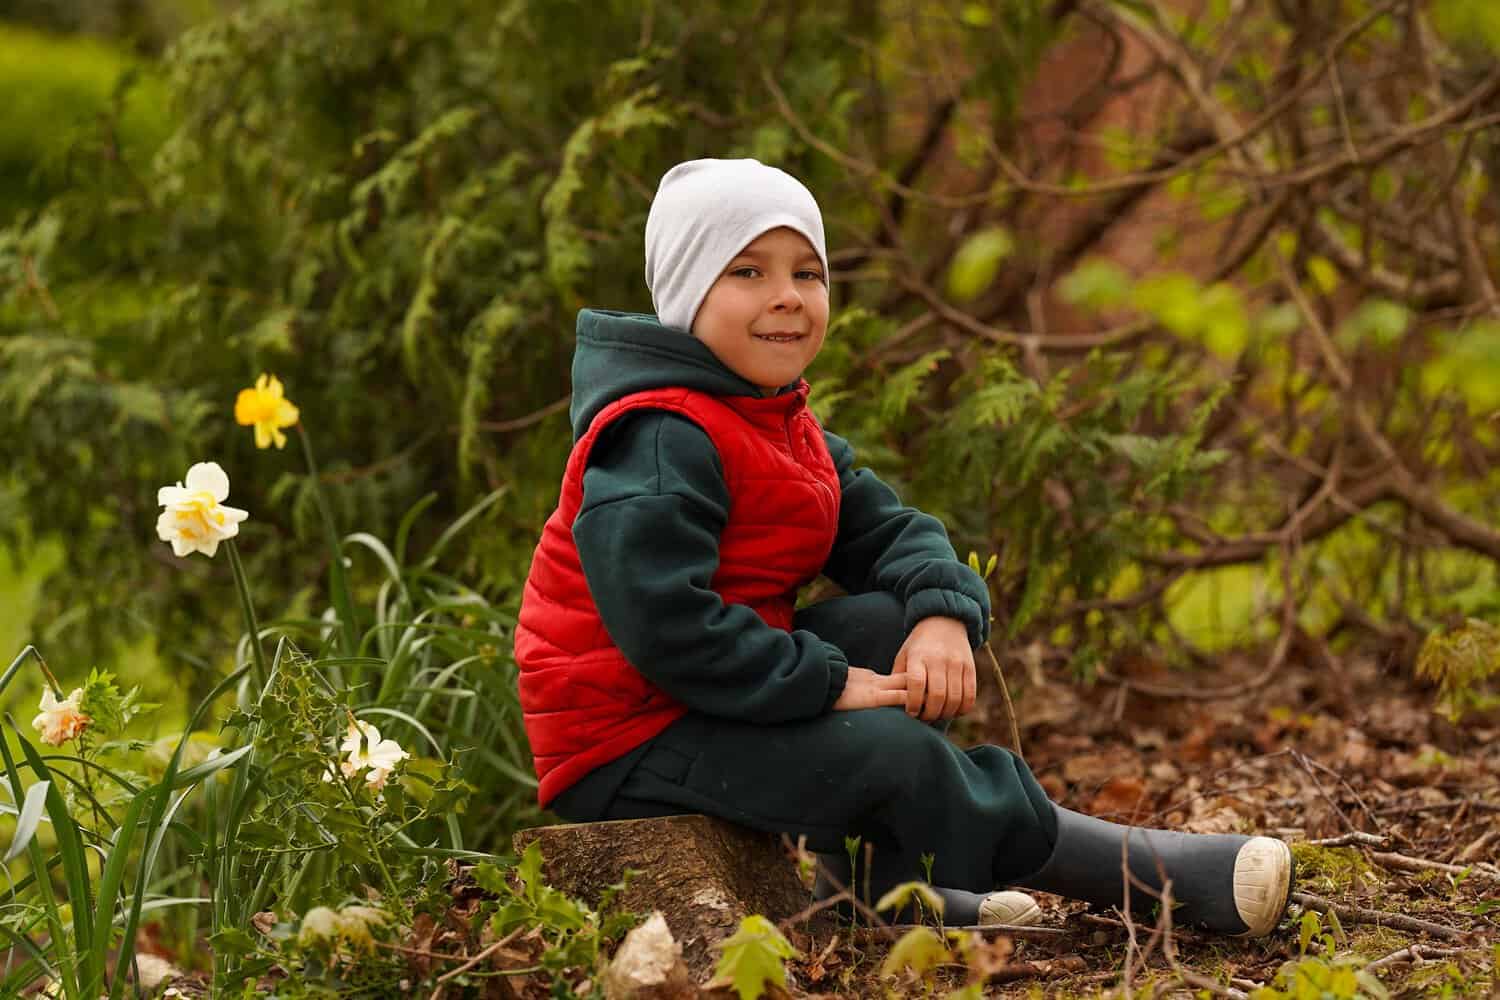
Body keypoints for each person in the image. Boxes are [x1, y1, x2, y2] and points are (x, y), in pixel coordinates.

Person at [513, 158, 1293, 935]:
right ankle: (1142, 874)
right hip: (625, 742)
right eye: (747, 270)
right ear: (688, 295)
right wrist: (823, 683)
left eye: (807, 272)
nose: (787, 294)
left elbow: (891, 528)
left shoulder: (776, 421)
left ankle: (881, 891)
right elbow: (666, 628)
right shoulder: (657, 437)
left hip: (704, 694)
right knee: (889, 750)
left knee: (892, 628)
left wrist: (942, 615)